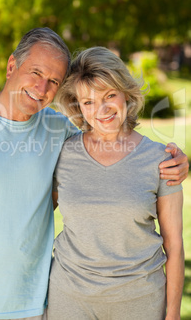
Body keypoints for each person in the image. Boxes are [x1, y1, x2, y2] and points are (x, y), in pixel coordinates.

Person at [0, 30, 187, 320]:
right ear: (12, 66)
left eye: (53, 81)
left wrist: (178, 161)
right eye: (35, 72)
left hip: (32, 309)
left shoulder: (59, 132)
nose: (41, 87)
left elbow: (109, 151)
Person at [47, 47, 185, 320]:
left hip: (140, 301)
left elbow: (175, 245)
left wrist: (173, 314)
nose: (101, 110)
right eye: (88, 102)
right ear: (78, 106)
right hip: (70, 300)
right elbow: (31, 217)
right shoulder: (62, 154)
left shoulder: (161, 159)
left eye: (109, 95)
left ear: (126, 94)